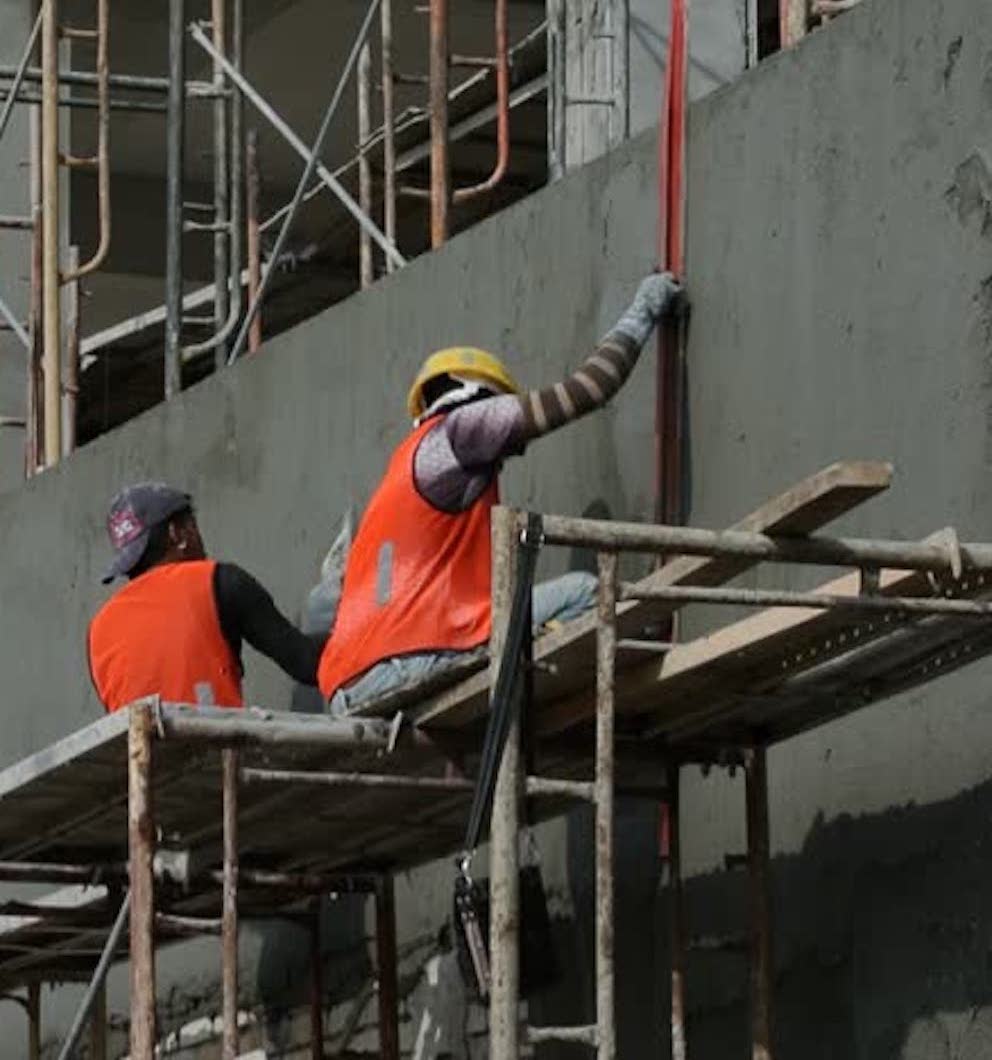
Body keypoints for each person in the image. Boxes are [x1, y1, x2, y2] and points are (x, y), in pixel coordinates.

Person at [318, 271, 684, 714]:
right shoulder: (462, 430)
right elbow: (590, 389)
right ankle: (646, 658)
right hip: (412, 657)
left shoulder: (400, 471)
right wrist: (642, 312)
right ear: (479, 396)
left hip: (349, 686)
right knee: (589, 594)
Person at [89, 482, 325, 713]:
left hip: (141, 741)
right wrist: (344, 620)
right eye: (193, 525)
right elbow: (307, 664)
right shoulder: (217, 582)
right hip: (214, 739)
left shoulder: (98, 631)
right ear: (177, 533)